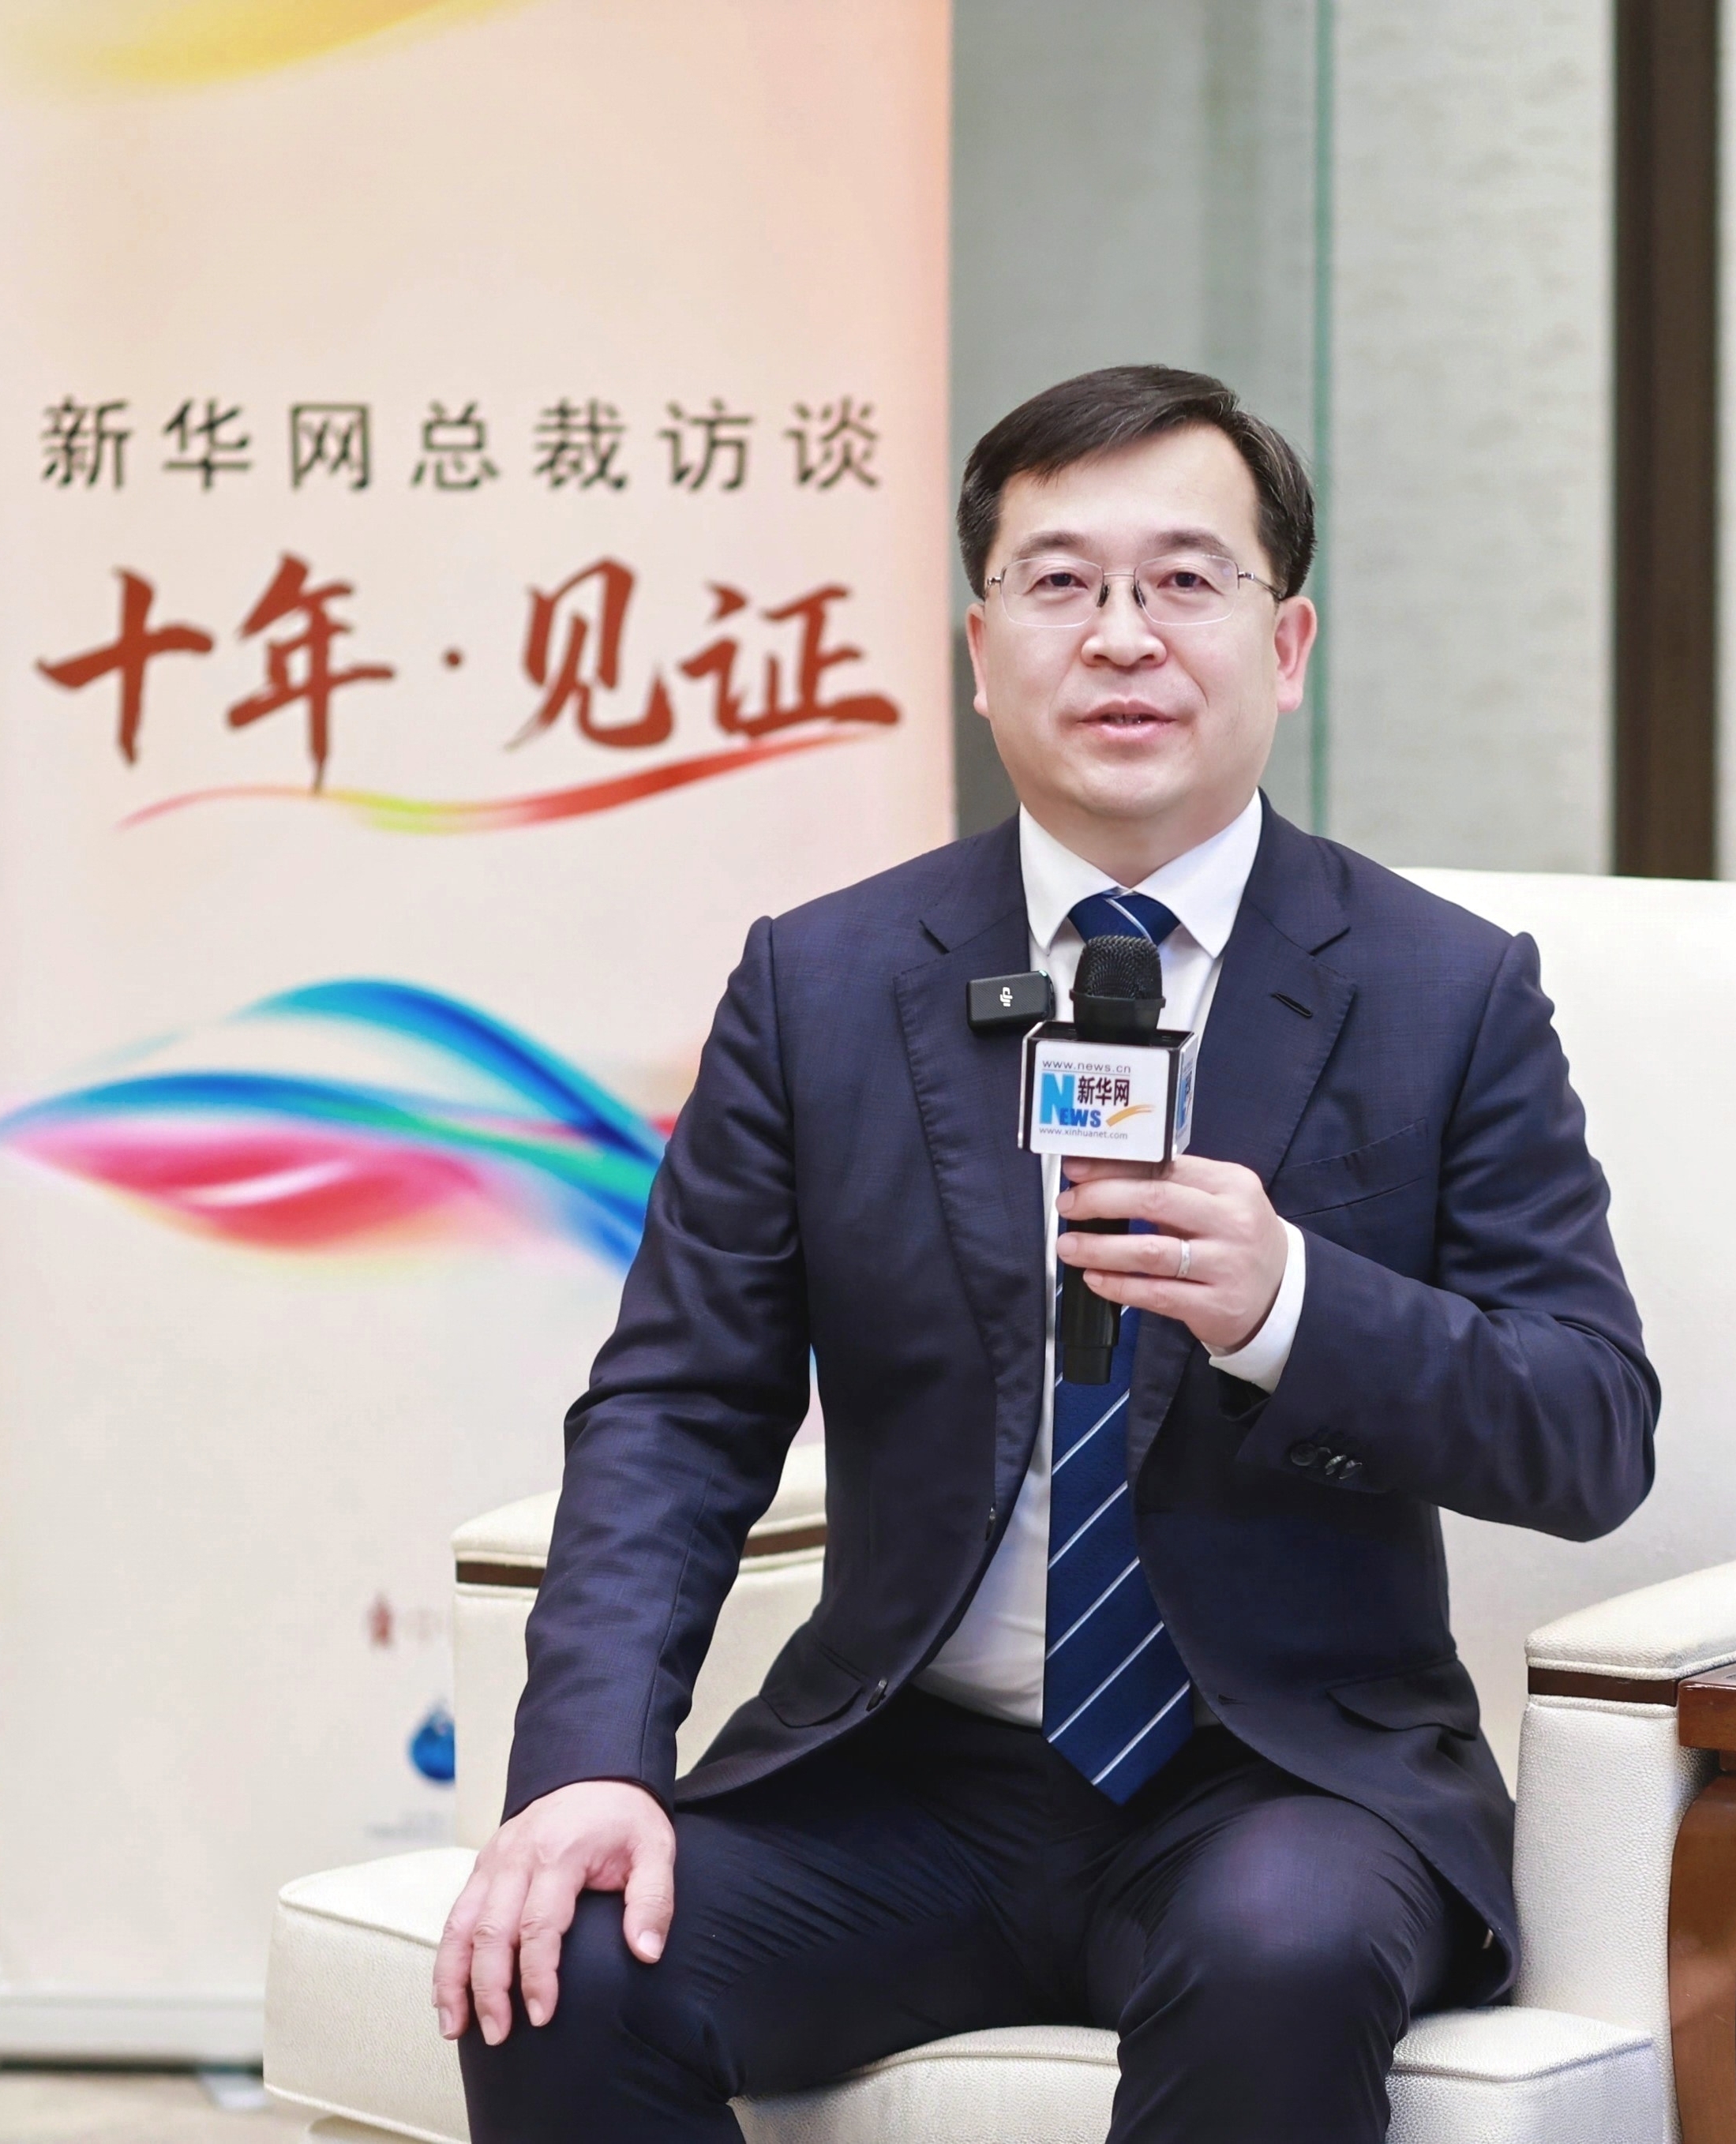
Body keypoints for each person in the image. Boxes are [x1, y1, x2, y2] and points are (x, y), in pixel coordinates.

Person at [432, 364, 1659, 2142]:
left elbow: (1590, 1424)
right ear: (980, 647)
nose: (1122, 636)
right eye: (1062, 582)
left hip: (1281, 1780)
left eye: (1185, 580)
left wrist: (1292, 1305)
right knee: (567, 1964)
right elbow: (677, 1413)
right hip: (907, 1777)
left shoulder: (1445, 991)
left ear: (1287, 644)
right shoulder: (822, 985)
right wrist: (589, 1768)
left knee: (1281, 1952)